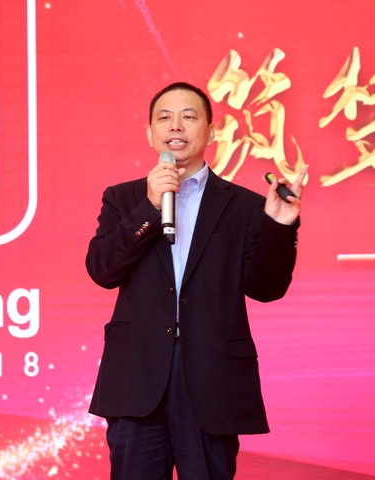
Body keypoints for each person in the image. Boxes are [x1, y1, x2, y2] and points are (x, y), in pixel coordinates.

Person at [85, 81, 308, 479]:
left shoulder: (243, 205)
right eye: (165, 118)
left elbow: (266, 288)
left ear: (211, 131)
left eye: (189, 117)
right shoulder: (123, 199)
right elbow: (102, 269)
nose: (176, 126)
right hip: (137, 377)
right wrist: (150, 207)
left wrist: (279, 226)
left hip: (211, 379)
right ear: (150, 133)